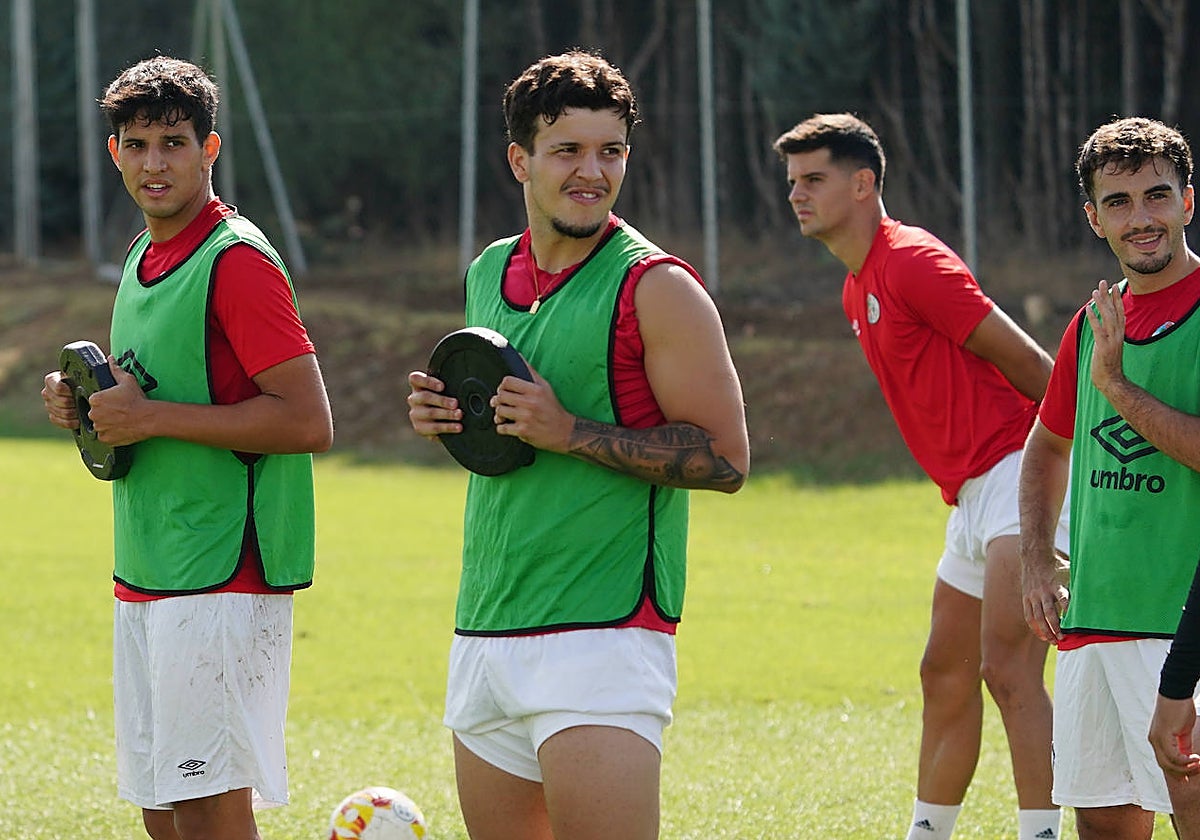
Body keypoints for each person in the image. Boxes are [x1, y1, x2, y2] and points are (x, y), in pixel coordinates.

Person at [407, 50, 749, 840]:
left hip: (601, 639)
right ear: (520, 160)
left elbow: (726, 459)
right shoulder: (489, 271)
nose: (592, 171)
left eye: (612, 151)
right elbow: (505, 432)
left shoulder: (657, 288)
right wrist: (446, 416)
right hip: (486, 626)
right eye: (568, 151)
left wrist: (571, 433)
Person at [41, 56, 332, 840]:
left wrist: (153, 418)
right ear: (115, 153)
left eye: (174, 142)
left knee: (209, 810)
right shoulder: (140, 256)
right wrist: (85, 408)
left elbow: (308, 421)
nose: (154, 163)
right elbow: (145, 398)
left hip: (223, 570)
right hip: (147, 563)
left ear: (210, 149)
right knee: (163, 812)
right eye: (137, 145)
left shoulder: (235, 260)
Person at [773, 113, 1067, 840]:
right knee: (943, 672)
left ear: (863, 182)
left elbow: (1030, 363)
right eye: (792, 183)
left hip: (1017, 474)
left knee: (1009, 670)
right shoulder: (856, 288)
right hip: (970, 498)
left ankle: (1043, 834)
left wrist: (1079, 461)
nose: (797, 195)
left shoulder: (910, 261)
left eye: (814, 179)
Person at [1021, 116, 1200, 839]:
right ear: (1094, 218)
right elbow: (1045, 445)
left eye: (1157, 195)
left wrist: (1119, 387)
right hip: (1094, 623)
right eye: (1119, 203)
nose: (1142, 218)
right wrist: (1038, 556)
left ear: (1189, 200)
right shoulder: (1094, 322)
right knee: (1100, 823)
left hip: (1181, 625)